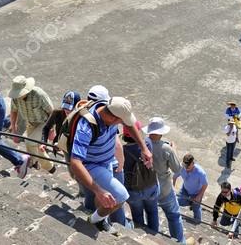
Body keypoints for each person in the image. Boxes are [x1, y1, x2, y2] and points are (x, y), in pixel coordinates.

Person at [68, 95, 150, 232]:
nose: (123, 124)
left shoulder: (109, 107)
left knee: (105, 196)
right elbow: (75, 162)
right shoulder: (86, 127)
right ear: (113, 118)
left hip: (107, 161)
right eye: (121, 121)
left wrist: (144, 148)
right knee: (121, 196)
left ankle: (100, 219)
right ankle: (93, 220)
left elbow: (129, 124)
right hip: (92, 165)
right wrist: (97, 190)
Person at [146, 117, 185, 243]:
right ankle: (179, 242)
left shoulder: (144, 144)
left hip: (148, 187)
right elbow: (177, 169)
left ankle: (152, 238)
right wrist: (174, 150)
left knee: (151, 214)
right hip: (164, 188)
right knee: (174, 216)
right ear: (161, 132)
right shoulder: (166, 148)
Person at [8, 75, 57, 173]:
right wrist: (14, 129)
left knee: (29, 142)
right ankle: (41, 164)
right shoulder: (16, 98)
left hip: (44, 123)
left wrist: (52, 129)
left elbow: (52, 112)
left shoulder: (39, 94)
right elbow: (14, 111)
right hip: (30, 123)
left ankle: (45, 165)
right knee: (34, 146)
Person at [123, 121, 159, 233]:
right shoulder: (147, 144)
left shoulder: (123, 150)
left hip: (133, 189)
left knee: (137, 214)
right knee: (152, 212)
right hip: (150, 185)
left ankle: (141, 234)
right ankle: (154, 234)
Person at [176, 153, 208, 223]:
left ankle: (197, 220)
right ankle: (190, 202)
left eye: (188, 166)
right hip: (185, 189)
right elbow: (175, 176)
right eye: (185, 166)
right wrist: (173, 186)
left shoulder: (200, 173)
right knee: (177, 201)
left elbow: (205, 185)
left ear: (193, 163)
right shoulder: (182, 167)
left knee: (196, 208)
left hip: (196, 193)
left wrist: (199, 196)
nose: (186, 168)